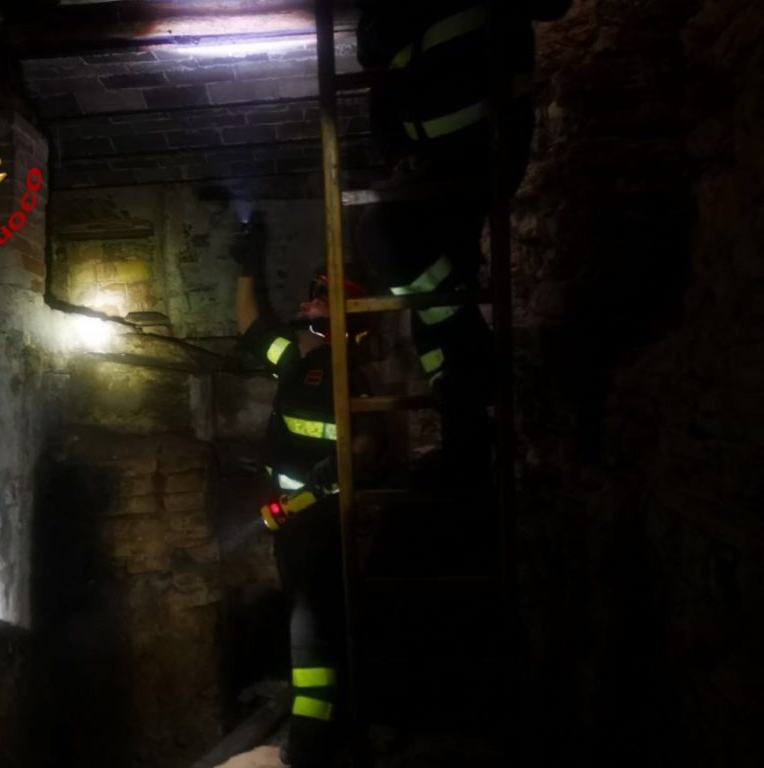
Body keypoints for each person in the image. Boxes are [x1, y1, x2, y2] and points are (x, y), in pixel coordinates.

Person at [355, 0, 572, 483]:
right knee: (435, 301)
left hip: (482, 148)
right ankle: (466, 447)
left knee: (388, 242)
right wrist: (396, 149)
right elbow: (374, 54)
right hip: (431, 160)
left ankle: (471, 368)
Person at [233, 213, 379, 768]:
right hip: (293, 523)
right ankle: (324, 732)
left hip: (323, 524)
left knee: (312, 633)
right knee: (307, 627)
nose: (309, 301)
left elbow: (368, 444)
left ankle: (312, 743)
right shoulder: (296, 361)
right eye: (313, 292)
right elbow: (252, 329)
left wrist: (335, 471)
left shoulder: (349, 373)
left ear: (345, 318)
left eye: (321, 297)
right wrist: (247, 266)